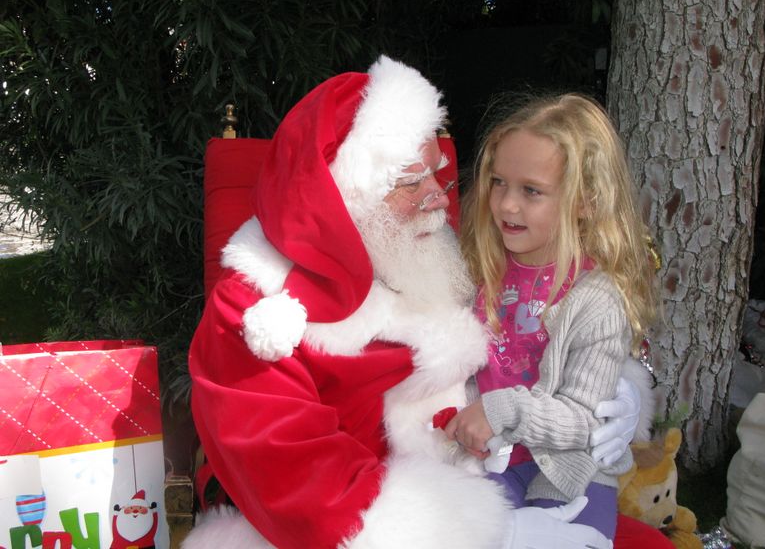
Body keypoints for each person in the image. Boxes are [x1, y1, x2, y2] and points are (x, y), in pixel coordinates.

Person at [183, 57, 664, 548]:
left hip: (492, 473)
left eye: (437, 174)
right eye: (411, 182)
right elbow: (295, 479)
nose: (439, 198)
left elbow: (529, 341)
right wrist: (491, 529)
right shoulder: (255, 310)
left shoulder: (428, 257)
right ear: (345, 197)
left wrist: (616, 392)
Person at [444, 93, 660, 546]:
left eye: (531, 190)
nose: (505, 205)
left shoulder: (596, 297)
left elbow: (586, 420)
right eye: (499, 182)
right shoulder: (479, 267)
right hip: (484, 462)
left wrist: (501, 409)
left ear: (585, 200)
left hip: (569, 475)